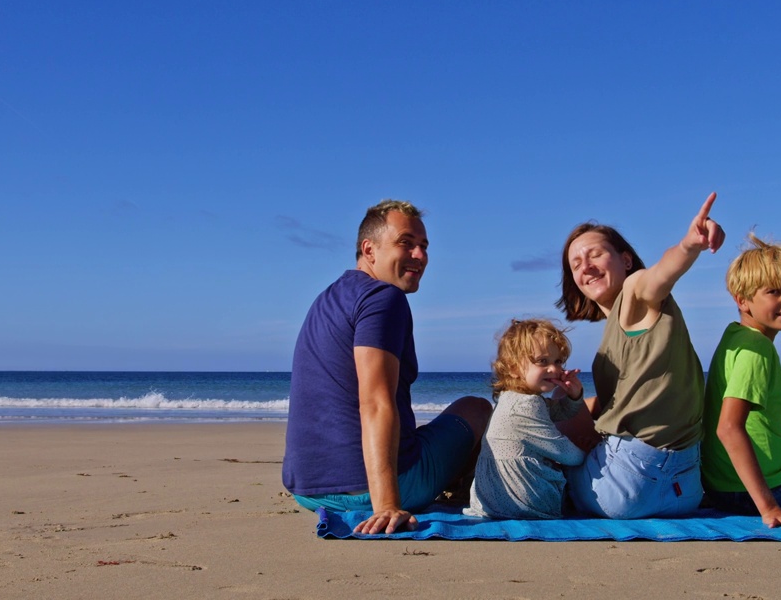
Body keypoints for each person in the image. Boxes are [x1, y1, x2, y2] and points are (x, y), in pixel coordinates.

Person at [282, 200, 492, 535]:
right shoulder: (383, 298)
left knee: (419, 433)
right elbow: (376, 402)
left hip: (306, 489)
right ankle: (470, 490)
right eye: (405, 243)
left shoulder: (326, 298)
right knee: (476, 408)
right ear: (369, 249)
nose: (419, 255)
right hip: (365, 493)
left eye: (423, 246)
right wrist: (387, 504)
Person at [556, 193, 725, 519]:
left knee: (544, 455)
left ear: (626, 260)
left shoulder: (635, 291)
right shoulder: (618, 331)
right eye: (576, 264)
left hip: (627, 485)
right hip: (685, 490)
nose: (586, 266)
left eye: (595, 255)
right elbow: (624, 403)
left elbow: (660, 274)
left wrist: (689, 245)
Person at [701, 235, 781, 529]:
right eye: (774, 292)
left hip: (719, 490)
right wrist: (769, 507)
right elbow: (728, 428)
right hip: (773, 491)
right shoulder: (757, 349)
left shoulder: (734, 336)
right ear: (742, 300)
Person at [465, 319, 586, 519]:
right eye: (542, 361)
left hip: (490, 501)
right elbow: (566, 454)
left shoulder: (510, 398)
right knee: (578, 471)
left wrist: (574, 395)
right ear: (513, 368)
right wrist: (589, 454)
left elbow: (561, 413)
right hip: (527, 502)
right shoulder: (526, 405)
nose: (554, 369)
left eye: (558, 362)